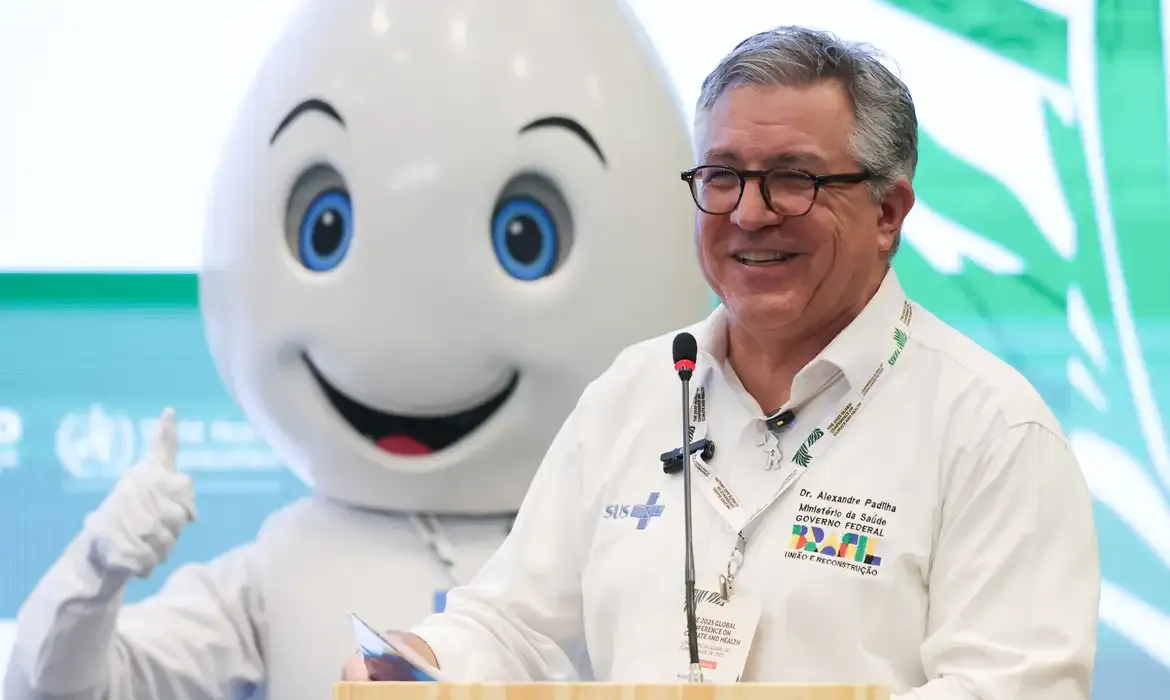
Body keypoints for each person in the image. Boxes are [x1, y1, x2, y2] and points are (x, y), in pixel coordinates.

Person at [341, 25, 1101, 699]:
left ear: (888, 213)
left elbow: (1012, 688)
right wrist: (421, 662)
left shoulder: (991, 428)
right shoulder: (635, 391)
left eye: (794, 179)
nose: (748, 212)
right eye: (723, 176)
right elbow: (514, 625)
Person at [1, 1, 712, 699]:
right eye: (324, 228)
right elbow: (55, 688)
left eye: (525, 238)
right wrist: (96, 567)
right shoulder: (281, 569)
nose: (415, 328)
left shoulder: (620, 557)